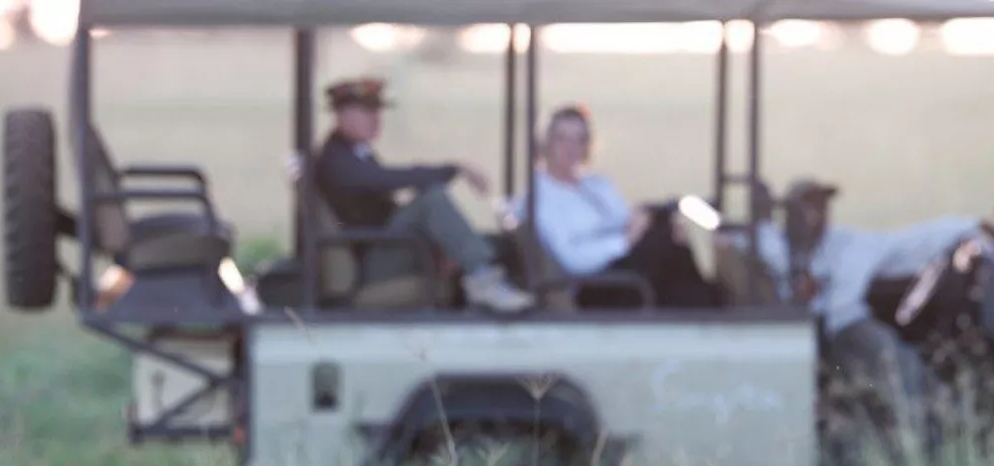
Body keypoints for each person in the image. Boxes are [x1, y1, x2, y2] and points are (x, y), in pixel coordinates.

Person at [780, 178, 988, 463]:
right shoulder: (770, 246)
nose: (816, 215)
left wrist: (973, 226)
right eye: (806, 208)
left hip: (846, 328)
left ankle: (934, 447)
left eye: (821, 206)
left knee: (895, 362)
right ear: (789, 214)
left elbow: (910, 242)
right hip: (793, 335)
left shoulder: (848, 245)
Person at [300, 77, 534, 314]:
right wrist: (454, 169)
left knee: (496, 243)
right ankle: (483, 279)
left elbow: (384, 200)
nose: (376, 119)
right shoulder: (337, 160)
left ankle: (516, 288)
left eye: (377, 111)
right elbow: (386, 180)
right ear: (342, 115)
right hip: (372, 259)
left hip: (387, 247)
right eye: (367, 111)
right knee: (431, 199)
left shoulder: (355, 153)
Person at [508, 103, 724, 309]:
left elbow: (624, 220)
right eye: (562, 139)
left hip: (625, 268)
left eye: (580, 140)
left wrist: (644, 224)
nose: (571, 148)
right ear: (545, 143)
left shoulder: (596, 184)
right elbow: (574, 260)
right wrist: (625, 241)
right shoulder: (540, 198)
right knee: (663, 244)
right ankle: (714, 305)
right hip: (596, 284)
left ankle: (710, 301)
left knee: (667, 230)